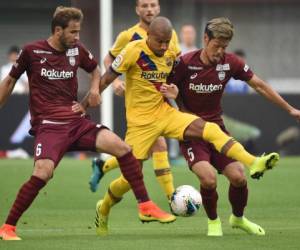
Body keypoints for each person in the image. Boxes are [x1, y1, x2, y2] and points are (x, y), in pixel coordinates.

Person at [0, 6, 175, 241]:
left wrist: (94, 90)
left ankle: (145, 206)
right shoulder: (32, 52)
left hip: (76, 121)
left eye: (79, 31)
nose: (77, 37)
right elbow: (10, 80)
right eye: (73, 32)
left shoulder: (77, 50)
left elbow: (95, 70)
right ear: (58, 30)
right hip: (49, 125)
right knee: (43, 173)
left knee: (123, 149)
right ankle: (8, 227)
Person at [94, 16, 279, 236]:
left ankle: (252, 166)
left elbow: (170, 82)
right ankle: (103, 207)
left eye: (167, 41)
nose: (164, 46)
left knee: (218, 143)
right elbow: (108, 70)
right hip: (141, 123)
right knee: (128, 179)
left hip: (170, 115)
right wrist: (93, 97)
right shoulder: (132, 45)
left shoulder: (174, 53)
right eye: (145, 5)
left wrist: (174, 93)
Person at [168, 17, 300, 236]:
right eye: (216, 45)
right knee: (208, 178)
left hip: (217, 130)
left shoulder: (230, 62)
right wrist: (174, 99)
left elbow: (259, 85)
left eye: (224, 47)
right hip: (190, 131)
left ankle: (238, 219)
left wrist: (290, 110)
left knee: (239, 177)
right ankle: (213, 223)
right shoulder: (184, 63)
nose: (219, 51)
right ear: (205, 39)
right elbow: (163, 90)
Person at [90, 0, 181, 208]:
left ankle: (103, 165)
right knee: (157, 145)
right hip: (140, 102)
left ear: (158, 8)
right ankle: (172, 199)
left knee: (143, 152)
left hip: (162, 98)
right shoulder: (128, 36)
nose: (149, 9)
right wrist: (115, 83)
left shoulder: (169, 34)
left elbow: (176, 63)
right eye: (144, 5)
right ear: (137, 10)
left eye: (153, 5)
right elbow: (108, 60)